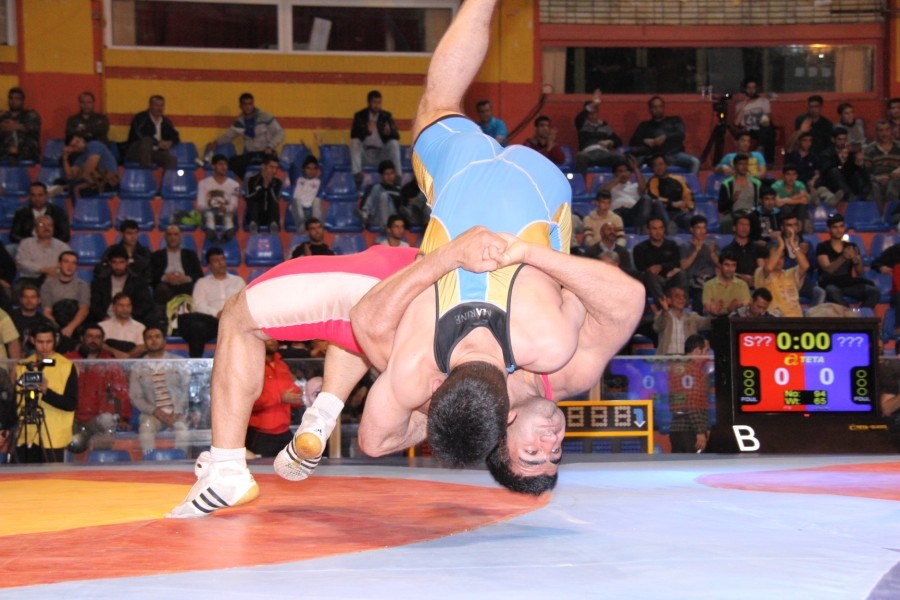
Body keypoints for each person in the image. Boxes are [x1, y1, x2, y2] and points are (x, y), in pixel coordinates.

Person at [168, 0, 643, 516]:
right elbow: (617, 297)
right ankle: (315, 414)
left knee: (437, 107)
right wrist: (528, 253)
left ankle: (289, 430)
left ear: (500, 429)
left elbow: (370, 360)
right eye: (556, 453)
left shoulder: (429, 367)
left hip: (446, 221)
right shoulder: (557, 360)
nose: (552, 441)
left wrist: (453, 259)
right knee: (355, 324)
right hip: (524, 205)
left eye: (534, 452)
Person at [14, 322, 78, 463]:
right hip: (26, 433)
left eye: (49, 342)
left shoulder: (66, 366)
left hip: (54, 435)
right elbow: (15, 401)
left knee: (52, 475)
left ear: (55, 341)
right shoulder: (23, 366)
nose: (44, 347)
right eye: (40, 342)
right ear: (32, 340)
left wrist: (46, 392)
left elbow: (70, 404)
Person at [65, 324, 131, 450]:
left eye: (97, 337)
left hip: (97, 419)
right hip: (71, 419)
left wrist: (123, 418)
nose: (93, 340)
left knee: (108, 419)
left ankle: (100, 458)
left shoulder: (110, 363)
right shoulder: (67, 361)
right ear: (82, 338)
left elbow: (120, 393)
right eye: (89, 336)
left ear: (102, 340)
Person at [129, 326, 190, 455]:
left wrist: (177, 411)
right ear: (144, 343)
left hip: (176, 412)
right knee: (145, 429)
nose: (154, 340)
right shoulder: (138, 367)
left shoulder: (178, 362)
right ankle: (149, 461)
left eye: (157, 337)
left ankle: (180, 461)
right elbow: (136, 397)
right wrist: (156, 411)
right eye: (149, 337)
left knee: (183, 431)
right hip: (152, 414)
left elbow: (186, 389)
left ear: (164, 341)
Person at [177, 247, 245, 358]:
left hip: (234, 320)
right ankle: (196, 362)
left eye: (222, 259)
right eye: (216, 260)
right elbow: (199, 305)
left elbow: (244, 302)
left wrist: (229, 313)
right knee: (196, 327)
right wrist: (217, 313)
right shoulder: (202, 283)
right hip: (212, 322)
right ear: (209, 266)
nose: (220, 263)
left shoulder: (238, 281)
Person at [246, 338, 302, 457]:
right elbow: (247, 401)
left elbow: (292, 392)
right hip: (260, 434)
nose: (272, 340)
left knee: (293, 466)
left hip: (284, 431)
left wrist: (300, 397)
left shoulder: (282, 365)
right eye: (267, 336)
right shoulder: (250, 366)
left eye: (273, 336)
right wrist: (280, 398)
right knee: (258, 468)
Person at [207, 93, 284, 179]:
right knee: (231, 162)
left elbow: (280, 132)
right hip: (251, 154)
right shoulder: (239, 122)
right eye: (245, 104)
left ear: (253, 104)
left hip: (266, 154)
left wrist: (270, 146)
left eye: (250, 104)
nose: (248, 107)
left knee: (270, 165)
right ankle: (247, 182)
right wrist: (216, 143)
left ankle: (266, 183)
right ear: (240, 106)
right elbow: (228, 136)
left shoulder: (265, 117)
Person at [816, 213, 880, 308]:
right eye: (835, 227)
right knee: (832, 292)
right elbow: (827, 269)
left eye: (841, 226)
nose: (839, 230)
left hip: (847, 282)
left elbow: (860, 272)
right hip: (830, 283)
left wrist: (856, 261)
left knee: (874, 292)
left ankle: (861, 315)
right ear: (828, 229)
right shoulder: (822, 247)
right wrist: (843, 257)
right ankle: (849, 314)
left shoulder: (851, 246)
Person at [629, 96, 699, 174]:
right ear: (650, 109)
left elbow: (681, 134)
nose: (658, 109)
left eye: (660, 106)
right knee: (634, 162)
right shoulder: (645, 125)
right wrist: (645, 141)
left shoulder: (674, 120)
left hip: (674, 155)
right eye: (654, 107)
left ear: (663, 107)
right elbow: (633, 141)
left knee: (695, 162)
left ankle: (690, 182)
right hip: (654, 157)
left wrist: (666, 137)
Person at [667, 334, 711, 453]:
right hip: (690, 433)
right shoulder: (692, 371)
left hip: (677, 430)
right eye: (706, 351)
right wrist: (700, 432)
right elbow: (692, 403)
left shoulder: (677, 368)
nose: (708, 355)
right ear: (697, 351)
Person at [89, 246, 156, 325]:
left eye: (121, 262)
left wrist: (128, 318)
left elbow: (144, 305)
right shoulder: (99, 282)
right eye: (114, 262)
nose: (118, 266)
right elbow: (95, 305)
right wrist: (105, 318)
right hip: (105, 321)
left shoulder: (138, 281)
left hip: (131, 321)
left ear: (127, 262)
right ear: (110, 263)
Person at [349, 90, 402, 184]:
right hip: (365, 154)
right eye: (374, 102)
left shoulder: (386, 116)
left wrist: (389, 133)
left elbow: (397, 136)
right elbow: (353, 135)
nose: (377, 105)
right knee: (354, 142)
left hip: (381, 154)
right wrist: (366, 131)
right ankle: (357, 174)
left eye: (379, 102)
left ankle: (397, 176)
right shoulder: (360, 116)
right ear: (369, 102)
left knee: (394, 143)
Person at [633, 216, 686, 304]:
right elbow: (641, 268)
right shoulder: (640, 248)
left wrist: (661, 267)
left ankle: (682, 302)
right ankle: (662, 303)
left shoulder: (672, 245)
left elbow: (676, 263)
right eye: (654, 229)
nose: (658, 232)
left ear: (664, 229)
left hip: (669, 279)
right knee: (649, 275)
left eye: (661, 228)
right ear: (648, 230)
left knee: (681, 274)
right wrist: (653, 271)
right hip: (651, 283)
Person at [754, 230, 808, 317]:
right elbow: (768, 268)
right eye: (776, 257)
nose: (779, 261)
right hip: (776, 320)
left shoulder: (790, 273)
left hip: (797, 319)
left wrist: (792, 244)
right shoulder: (760, 273)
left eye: (781, 257)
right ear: (766, 260)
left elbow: (805, 266)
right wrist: (781, 246)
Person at [41, 251, 90, 342]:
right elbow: (47, 311)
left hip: (76, 325)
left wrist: (70, 327)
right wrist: (58, 329)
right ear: (59, 264)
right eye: (66, 262)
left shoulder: (82, 285)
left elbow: (84, 309)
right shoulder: (48, 285)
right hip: (55, 324)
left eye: (73, 263)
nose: (70, 266)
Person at [150, 224, 203, 305]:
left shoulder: (190, 255)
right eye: (169, 235)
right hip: (165, 285)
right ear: (165, 237)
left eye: (176, 234)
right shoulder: (157, 255)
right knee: (161, 289)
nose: (173, 238)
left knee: (193, 288)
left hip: (185, 284)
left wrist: (186, 278)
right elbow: (152, 275)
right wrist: (165, 278)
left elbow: (199, 274)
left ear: (180, 237)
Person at [574, 91, 625, 171]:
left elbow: (618, 141)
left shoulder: (604, 126)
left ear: (598, 113)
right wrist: (594, 103)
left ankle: (619, 179)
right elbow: (579, 118)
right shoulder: (582, 124)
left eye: (594, 113)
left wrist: (610, 141)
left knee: (620, 157)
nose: (592, 116)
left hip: (603, 153)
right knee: (580, 156)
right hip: (588, 153)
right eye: (590, 113)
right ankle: (582, 180)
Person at [653, 283, 710, 355]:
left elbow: (708, 324)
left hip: (688, 359)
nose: (681, 299)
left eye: (683, 296)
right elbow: (657, 327)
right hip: (666, 359)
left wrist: (713, 313)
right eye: (677, 296)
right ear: (669, 300)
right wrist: (665, 311)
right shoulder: (662, 315)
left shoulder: (692, 317)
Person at [125, 95, 179, 170]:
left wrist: (170, 142)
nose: (159, 108)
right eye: (156, 105)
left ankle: (169, 177)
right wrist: (157, 143)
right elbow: (140, 135)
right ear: (150, 106)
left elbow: (175, 136)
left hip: (153, 152)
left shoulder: (166, 122)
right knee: (147, 141)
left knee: (171, 159)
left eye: (161, 106)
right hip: (136, 151)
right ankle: (147, 173)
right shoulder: (141, 118)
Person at [196, 153, 241, 242]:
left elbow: (234, 204)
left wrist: (226, 208)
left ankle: (228, 232)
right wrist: (212, 207)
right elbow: (200, 204)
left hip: (226, 212)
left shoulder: (235, 185)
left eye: (225, 164)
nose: (224, 167)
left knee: (228, 216)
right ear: (213, 166)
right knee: (209, 215)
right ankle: (211, 232)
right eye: (220, 164)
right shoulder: (203, 183)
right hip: (209, 211)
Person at [61, 132, 120, 200]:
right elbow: (70, 176)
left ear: (82, 139)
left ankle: (80, 207)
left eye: (77, 142)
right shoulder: (80, 158)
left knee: (76, 188)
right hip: (94, 181)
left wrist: (77, 178)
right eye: (74, 146)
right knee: (62, 184)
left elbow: (88, 171)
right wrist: (65, 158)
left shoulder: (94, 145)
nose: (78, 146)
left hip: (109, 180)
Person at [679, 214, 719, 313]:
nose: (702, 231)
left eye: (704, 228)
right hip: (694, 282)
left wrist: (712, 253)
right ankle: (698, 320)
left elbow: (721, 265)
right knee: (700, 295)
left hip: (711, 280)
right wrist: (696, 251)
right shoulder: (684, 246)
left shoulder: (711, 245)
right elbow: (683, 266)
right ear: (692, 230)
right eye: (698, 228)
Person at [645, 153, 694, 233]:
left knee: (691, 220)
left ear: (666, 165)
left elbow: (688, 195)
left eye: (661, 164)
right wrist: (672, 204)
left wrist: (688, 207)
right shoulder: (652, 181)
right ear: (653, 168)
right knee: (657, 204)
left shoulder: (678, 179)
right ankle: (668, 226)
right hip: (662, 212)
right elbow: (654, 197)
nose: (659, 167)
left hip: (678, 212)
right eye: (655, 165)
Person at [15, 215, 71, 282]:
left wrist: (54, 272)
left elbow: (68, 264)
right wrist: (42, 269)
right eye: (41, 225)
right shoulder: (26, 243)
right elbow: (22, 262)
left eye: (49, 225)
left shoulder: (63, 246)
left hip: (55, 280)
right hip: (30, 279)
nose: (46, 227)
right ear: (35, 229)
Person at [733, 78, 775, 164]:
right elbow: (736, 123)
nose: (751, 90)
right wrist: (744, 105)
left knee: (768, 131)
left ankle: (764, 155)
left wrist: (765, 120)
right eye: (749, 88)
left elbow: (768, 117)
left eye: (753, 88)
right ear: (745, 89)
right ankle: (759, 150)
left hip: (761, 128)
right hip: (747, 130)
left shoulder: (764, 102)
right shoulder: (739, 105)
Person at [717, 154, 762, 234]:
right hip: (734, 214)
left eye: (746, 164)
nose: (744, 166)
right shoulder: (727, 184)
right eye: (741, 164)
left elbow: (759, 203)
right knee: (726, 222)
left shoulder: (756, 183)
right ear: (735, 167)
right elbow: (721, 208)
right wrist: (732, 200)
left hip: (752, 213)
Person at [720, 215, 767, 289]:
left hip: (756, 287)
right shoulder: (727, 250)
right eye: (741, 224)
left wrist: (755, 279)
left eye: (747, 225)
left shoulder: (757, 248)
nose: (744, 228)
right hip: (735, 287)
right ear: (734, 228)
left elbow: (762, 270)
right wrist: (741, 277)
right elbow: (724, 272)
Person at [100, 219, 152, 285]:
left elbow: (149, 274)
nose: (133, 237)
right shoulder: (111, 251)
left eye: (135, 233)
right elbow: (103, 269)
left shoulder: (144, 252)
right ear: (121, 234)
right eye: (129, 233)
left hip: (139, 286)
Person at [863, 120, 900, 210]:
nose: (884, 133)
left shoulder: (899, 147)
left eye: (887, 129)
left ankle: (891, 213)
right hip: (877, 180)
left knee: (893, 185)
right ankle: (878, 215)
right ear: (876, 132)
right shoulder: (869, 149)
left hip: (896, 179)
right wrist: (876, 178)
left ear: (891, 131)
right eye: (881, 130)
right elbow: (866, 172)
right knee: (873, 187)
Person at [701, 251, 750, 317]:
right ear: (720, 265)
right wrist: (727, 310)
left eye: (733, 265)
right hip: (715, 321)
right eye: (727, 265)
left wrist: (736, 308)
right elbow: (708, 309)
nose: (730, 269)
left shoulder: (742, 285)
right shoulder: (709, 285)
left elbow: (746, 309)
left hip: (736, 321)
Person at [10, 283, 54, 357]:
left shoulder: (44, 322)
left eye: (33, 297)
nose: (29, 301)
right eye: (26, 297)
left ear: (38, 300)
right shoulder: (10, 318)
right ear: (20, 299)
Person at [99, 293, 147, 358]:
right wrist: (114, 352)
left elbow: (142, 346)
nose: (125, 309)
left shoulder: (140, 327)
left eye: (128, 305)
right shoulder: (102, 326)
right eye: (121, 305)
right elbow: (99, 343)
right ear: (113, 308)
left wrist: (127, 356)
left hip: (132, 362)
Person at [0, 87, 41, 164]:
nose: (13, 101)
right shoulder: (3, 116)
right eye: (11, 98)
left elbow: (32, 129)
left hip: (26, 152)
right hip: (5, 152)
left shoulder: (31, 115)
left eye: (17, 99)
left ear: (22, 101)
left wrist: (15, 126)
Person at [358, 159, 401, 231]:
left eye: (392, 173)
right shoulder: (374, 188)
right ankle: (364, 215)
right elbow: (365, 204)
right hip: (376, 217)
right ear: (381, 176)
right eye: (387, 174)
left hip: (393, 221)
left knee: (384, 196)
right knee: (377, 188)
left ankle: (386, 226)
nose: (390, 176)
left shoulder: (399, 190)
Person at [244, 155, 281, 233]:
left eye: (276, 168)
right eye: (271, 167)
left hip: (270, 216)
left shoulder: (278, 182)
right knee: (254, 203)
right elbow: (249, 199)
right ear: (263, 166)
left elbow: (275, 200)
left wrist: (269, 186)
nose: (274, 171)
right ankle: (253, 225)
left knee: (274, 204)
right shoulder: (251, 180)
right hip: (255, 214)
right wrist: (263, 187)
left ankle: (273, 225)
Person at [289, 154, 323, 232]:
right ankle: (302, 227)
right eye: (308, 168)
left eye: (314, 168)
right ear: (303, 169)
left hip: (311, 211)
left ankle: (316, 226)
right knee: (296, 201)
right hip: (297, 213)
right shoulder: (297, 179)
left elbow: (329, 167)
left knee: (317, 201)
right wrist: (305, 151)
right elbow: (293, 167)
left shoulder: (319, 182)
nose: (311, 171)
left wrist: (323, 150)